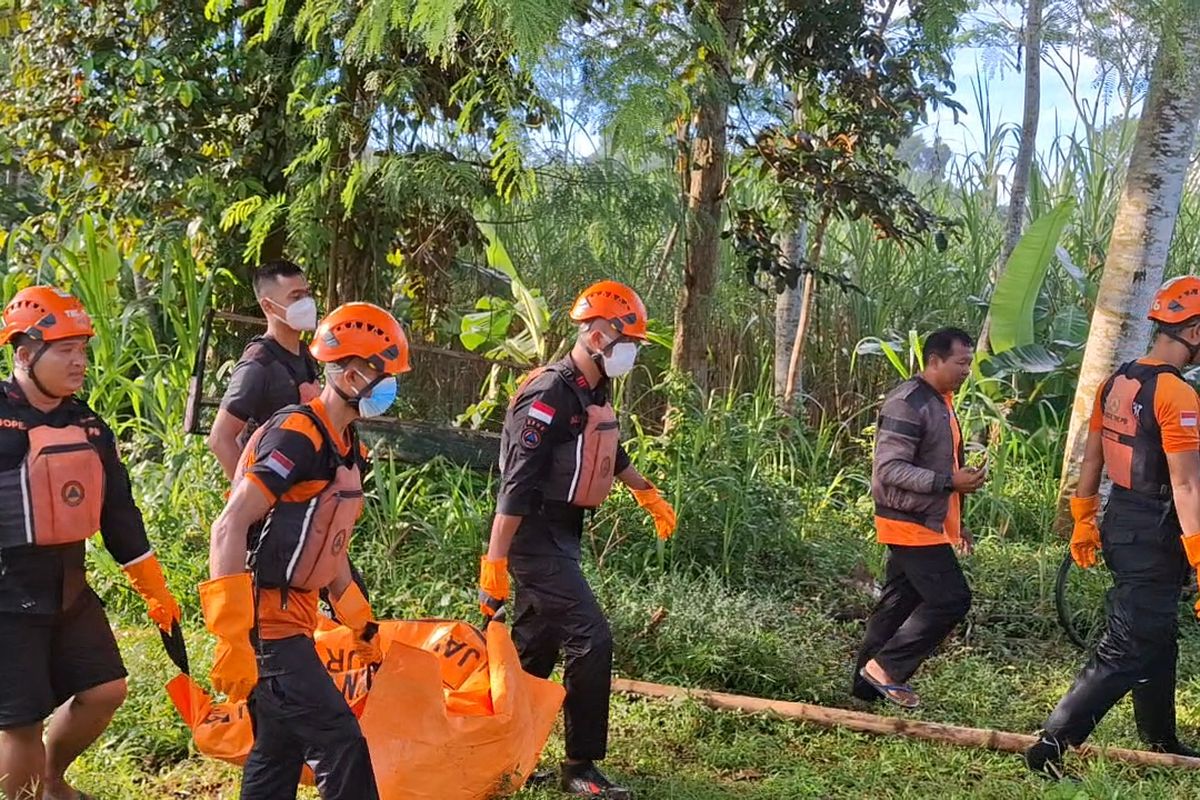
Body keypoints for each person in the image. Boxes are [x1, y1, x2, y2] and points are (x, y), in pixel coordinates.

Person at [477, 280, 678, 800]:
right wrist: (494, 561)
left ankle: (503, 752)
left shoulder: (593, 387)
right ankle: (579, 765)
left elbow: (611, 446)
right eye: (626, 338)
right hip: (533, 535)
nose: (631, 351)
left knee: (531, 652)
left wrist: (646, 493)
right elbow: (515, 484)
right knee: (592, 637)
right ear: (594, 332)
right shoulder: (548, 393)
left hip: (565, 529)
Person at [204, 302, 409, 798]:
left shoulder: (347, 445)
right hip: (268, 627)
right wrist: (233, 638)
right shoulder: (297, 434)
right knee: (340, 744)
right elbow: (229, 527)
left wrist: (359, 620)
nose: (391, 388)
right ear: (353, 371)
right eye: (385, 374)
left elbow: (329, 547)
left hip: (295, 619)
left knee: (277, 753)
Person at [0, 286, 181, 800]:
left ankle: (53, 783)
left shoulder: (87, 425)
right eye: (66, 350)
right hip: (7, 594)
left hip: (68, 586)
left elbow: (119, 514)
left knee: (106, 690)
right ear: (24, 353)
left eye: (83, 350)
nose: (80, 362)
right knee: (20, 724)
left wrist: (154, 591)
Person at [1026, 277, 1200, 777]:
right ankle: (1050, 749)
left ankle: (1161, 738)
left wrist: (1085, 515)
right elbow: (1187, 486)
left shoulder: (1118, 380)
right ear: (1191, 329)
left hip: (1123, 517)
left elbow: (1094, 454)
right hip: (1156, 527)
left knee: (1157, 634)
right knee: (1126, 646)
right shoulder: (1176, 394)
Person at [851, 327, 985, 710]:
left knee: (899, 602)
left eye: (969, 364)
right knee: (951, 599)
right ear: (935, 360)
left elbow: (940, 465)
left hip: (926, 520)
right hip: (907, 521)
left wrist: (958, 511)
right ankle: (887, 669)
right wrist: (948, 481)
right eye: (961, 363)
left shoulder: (940, 400)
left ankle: (864, 687)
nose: (966, 372)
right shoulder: (908, 402)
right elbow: (890, 469)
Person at [208, 260, 321, 480]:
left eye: (307, 294)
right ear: (268, 306)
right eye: (296, 297)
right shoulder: (258, 363)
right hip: (271, 492)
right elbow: (219, 439)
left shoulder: (305, 353)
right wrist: (250, 500)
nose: (307, 303)